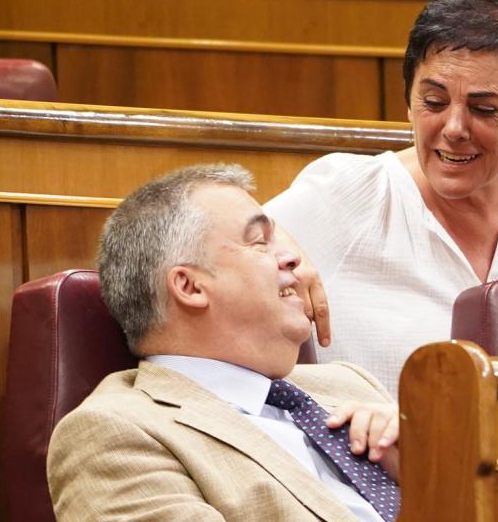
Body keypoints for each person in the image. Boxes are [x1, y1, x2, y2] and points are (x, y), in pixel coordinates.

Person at [265, 0, 498, 394]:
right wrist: (275, 244)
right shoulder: (349, 193)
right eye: (433, 102)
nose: (453, 128)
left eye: (483, 108)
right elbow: (201, 247)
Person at [47, 164, 401, 522]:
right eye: (260, 241)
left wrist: (435, 476)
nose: (294, 259)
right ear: (190, 287)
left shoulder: (351, 384)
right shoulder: (116, 434)